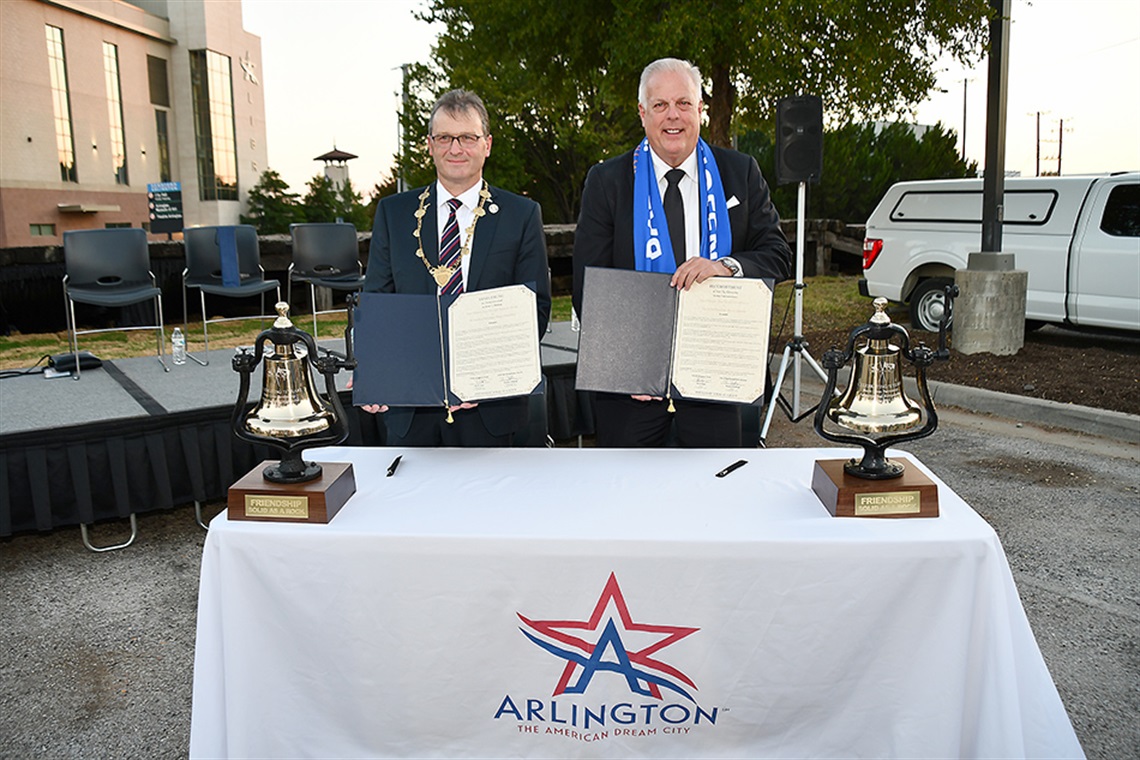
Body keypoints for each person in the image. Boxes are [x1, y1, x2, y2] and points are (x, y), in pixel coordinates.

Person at [573, 58, 792, 448]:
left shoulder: (740, 172)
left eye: (684, 103)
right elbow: (587, 284)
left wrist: (726, 267)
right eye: (660, 105)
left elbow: (777, 254)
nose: (672, 116)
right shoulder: (607, 181)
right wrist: (628, 368)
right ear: (643, 114)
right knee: (631, 502)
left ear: (701, 110)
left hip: (720, 387)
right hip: (632, 395)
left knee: (718, 500)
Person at [360, 89, 551, 446]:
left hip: (491, 410)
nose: (455, 148)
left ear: (487, 144)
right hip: (411, 408)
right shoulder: (394, 213)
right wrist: (375, 367)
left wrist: (483, 374)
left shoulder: (521, 215)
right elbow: (378, 301)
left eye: (467, 137)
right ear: (430, 145)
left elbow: (534, 310)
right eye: (445, 137)